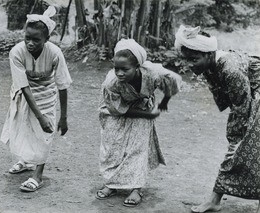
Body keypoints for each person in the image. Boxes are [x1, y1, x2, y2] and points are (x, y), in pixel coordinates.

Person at [175, 25, 260, 213]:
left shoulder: (229, 68)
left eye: (194, 59)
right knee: (244, 148)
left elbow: (241, 107)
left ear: (208, 54)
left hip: (255, 97)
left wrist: (236, 138)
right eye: (186, 59)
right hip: (249, 98)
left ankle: (214, 200)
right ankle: (215, 200)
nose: (189, 65)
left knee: (239, 148)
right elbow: (230, 100)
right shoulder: (209, 66)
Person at [96, 39, 182, 207]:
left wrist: (164, 102)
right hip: (114, 110)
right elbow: (116, 109)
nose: (120, 73)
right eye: (116, 68)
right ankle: (111, 184)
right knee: (112, 146)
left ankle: (136, 188)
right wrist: (147, 115)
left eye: (125, 69)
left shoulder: (153, 72)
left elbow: (173, 81)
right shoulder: (111, 82)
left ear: (137, 67)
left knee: (137, 147)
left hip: (142, 106)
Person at [0, 6, 72, 192]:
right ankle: (25, 161)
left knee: (44, 133)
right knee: (24, 126)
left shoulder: (55, 53)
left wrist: (63, 117)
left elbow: (63, 85)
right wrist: (38, 116)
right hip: (25, 92)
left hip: (47, 92)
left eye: (36, 40)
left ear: (47, 39)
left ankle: (37, 176)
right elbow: (23, 85)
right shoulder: (17, 52)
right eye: (27, 38)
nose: (30, 43)